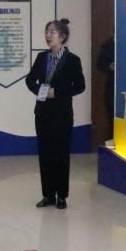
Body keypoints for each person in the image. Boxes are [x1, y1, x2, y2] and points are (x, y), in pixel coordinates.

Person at [25, 19, 86, 210]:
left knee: (61, 154)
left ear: (62, 36)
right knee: (45, 153)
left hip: (62, 114)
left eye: (52, 32)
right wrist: (40, 91)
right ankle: (48, 194)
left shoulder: (73, 60)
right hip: (43, 113)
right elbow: (30, 80)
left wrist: (57, 92)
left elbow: (80, 86)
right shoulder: (42, 57)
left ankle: (61, 195)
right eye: (46, 32)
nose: (48, 35)